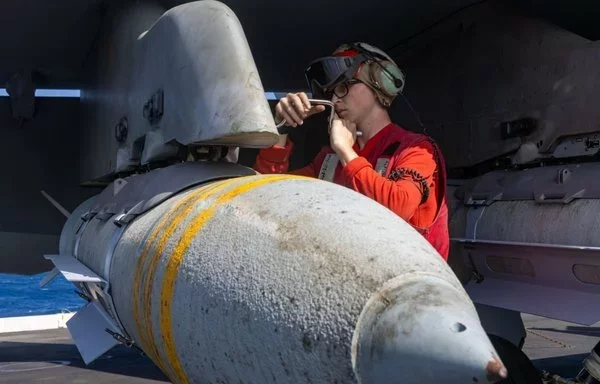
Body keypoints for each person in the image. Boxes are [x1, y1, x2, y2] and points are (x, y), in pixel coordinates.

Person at [253, 42, 449, 260]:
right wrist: (281, 129)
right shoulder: (330, 159)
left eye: (343, 86)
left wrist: (346, 151)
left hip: (411, 285)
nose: (335, 99)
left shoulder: (416, 150)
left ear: (380, 83)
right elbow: (268, 192)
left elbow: (399, 206)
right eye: (332, 92)